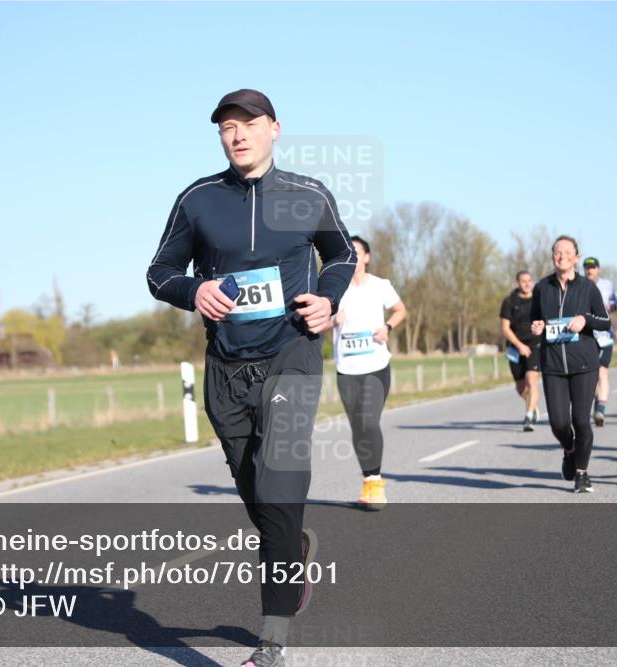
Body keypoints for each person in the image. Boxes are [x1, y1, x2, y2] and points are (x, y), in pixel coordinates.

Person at [146, 89, 356, 667]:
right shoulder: (198, 200)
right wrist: (194, 290)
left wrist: (329, 300)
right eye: (227, 127)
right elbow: (159, 272)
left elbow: (341, 257)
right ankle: (294, 548)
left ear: (275, 128)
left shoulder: (307, 195)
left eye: (250, 123)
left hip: (292, 353)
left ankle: (272, 643)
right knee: (261, 501)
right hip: (226, 371)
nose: (238, 134)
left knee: (280, 488)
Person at [328, 235, 406, 509]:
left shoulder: (380, 285)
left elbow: (400, 310)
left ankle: (376, 483)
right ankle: (369, 480)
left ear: (367, 257)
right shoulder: (333, 288)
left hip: (376, 365)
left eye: (357, 251)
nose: (352, 256)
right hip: (346, 368)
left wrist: (388, 328)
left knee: (368, 420)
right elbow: (317, 321)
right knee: (358, 426)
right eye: (347, 252)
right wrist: (333, 319)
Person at [529, 236, 611, 493]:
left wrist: (584, 319)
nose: (562, 255)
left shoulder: (587, 288)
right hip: (553, 365)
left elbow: (605, 321)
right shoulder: (542, 288)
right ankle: (569, 449)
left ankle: (582, 474)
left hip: (584, 364)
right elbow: (535, 322)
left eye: (567, 252)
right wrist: (537, 327)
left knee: (581, 421)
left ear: (576, 257)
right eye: (557, 252)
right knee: (559, 423)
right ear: (553, 257)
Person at [500, 270, 542, 431]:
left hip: (534, 345)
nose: (527, 283)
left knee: (532, 381)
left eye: (529, 280)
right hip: (515, 347)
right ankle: (532, 404)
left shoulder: (538, 300)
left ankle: (529, 416)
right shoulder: (510, 301)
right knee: (520, 387)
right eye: (523, 281)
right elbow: (505, 329)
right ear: (517, 283)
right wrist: (519, 346)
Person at [582, 257, 617, 426]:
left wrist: (606, 307)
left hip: (604, 336)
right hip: (586, 336)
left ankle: (600, 410)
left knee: (602, 372)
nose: (590, 271)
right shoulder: (578, 285)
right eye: (587, 268)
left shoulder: (607, 285)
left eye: (593, 267)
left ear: (598, 269)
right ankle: (596, 400)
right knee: (590, 374)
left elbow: (614, 304)